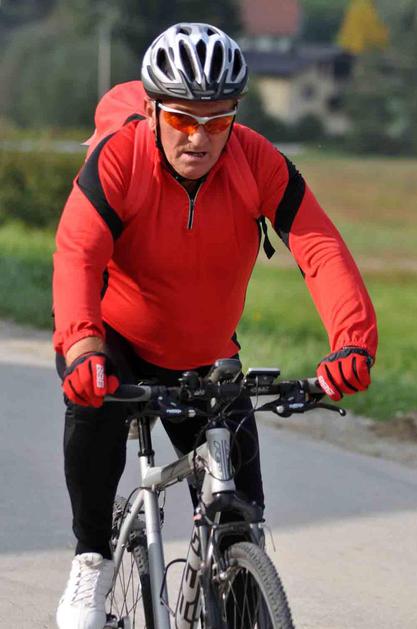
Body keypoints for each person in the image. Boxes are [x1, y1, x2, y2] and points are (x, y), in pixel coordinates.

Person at [53, 22, 378, 629]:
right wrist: (81, 348)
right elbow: (78, 254)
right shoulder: (119, 158)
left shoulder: (257, 161)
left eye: (217, 119)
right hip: (114, 341)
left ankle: (233, 581)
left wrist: (353, 341)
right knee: (93, 416)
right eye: (182, 119)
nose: (199, 137)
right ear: (154, 110)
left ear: (235, 116)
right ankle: (92, 558)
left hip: (206, 356)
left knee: (241, 514)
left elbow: (321, 249)